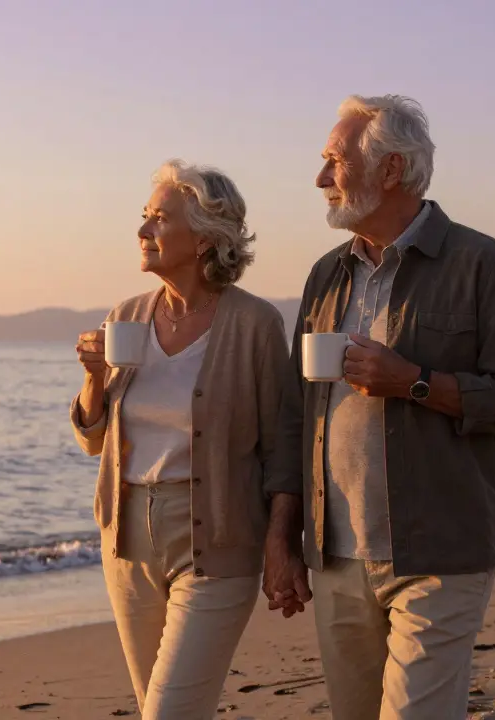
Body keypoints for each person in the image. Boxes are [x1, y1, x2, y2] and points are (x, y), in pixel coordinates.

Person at [263, 95, 495, 719]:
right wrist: (282, 538)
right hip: (336, 553)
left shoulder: (484, 264)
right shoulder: (324, 276)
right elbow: (297, 416)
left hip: (441, 552)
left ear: (390, 170)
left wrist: (415, 382)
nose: (319, 179)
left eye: (334, 162)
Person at [71, 160, 294, 719]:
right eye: (144, 217)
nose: (143, 231)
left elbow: (283, 446)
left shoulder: (255, 325)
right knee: (157, 704)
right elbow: (94, 440)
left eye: (159, 219)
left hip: (217, 542)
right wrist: (94, 376)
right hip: (126, 542)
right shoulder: (126, 318)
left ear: (202, 238)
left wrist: (281, 542)